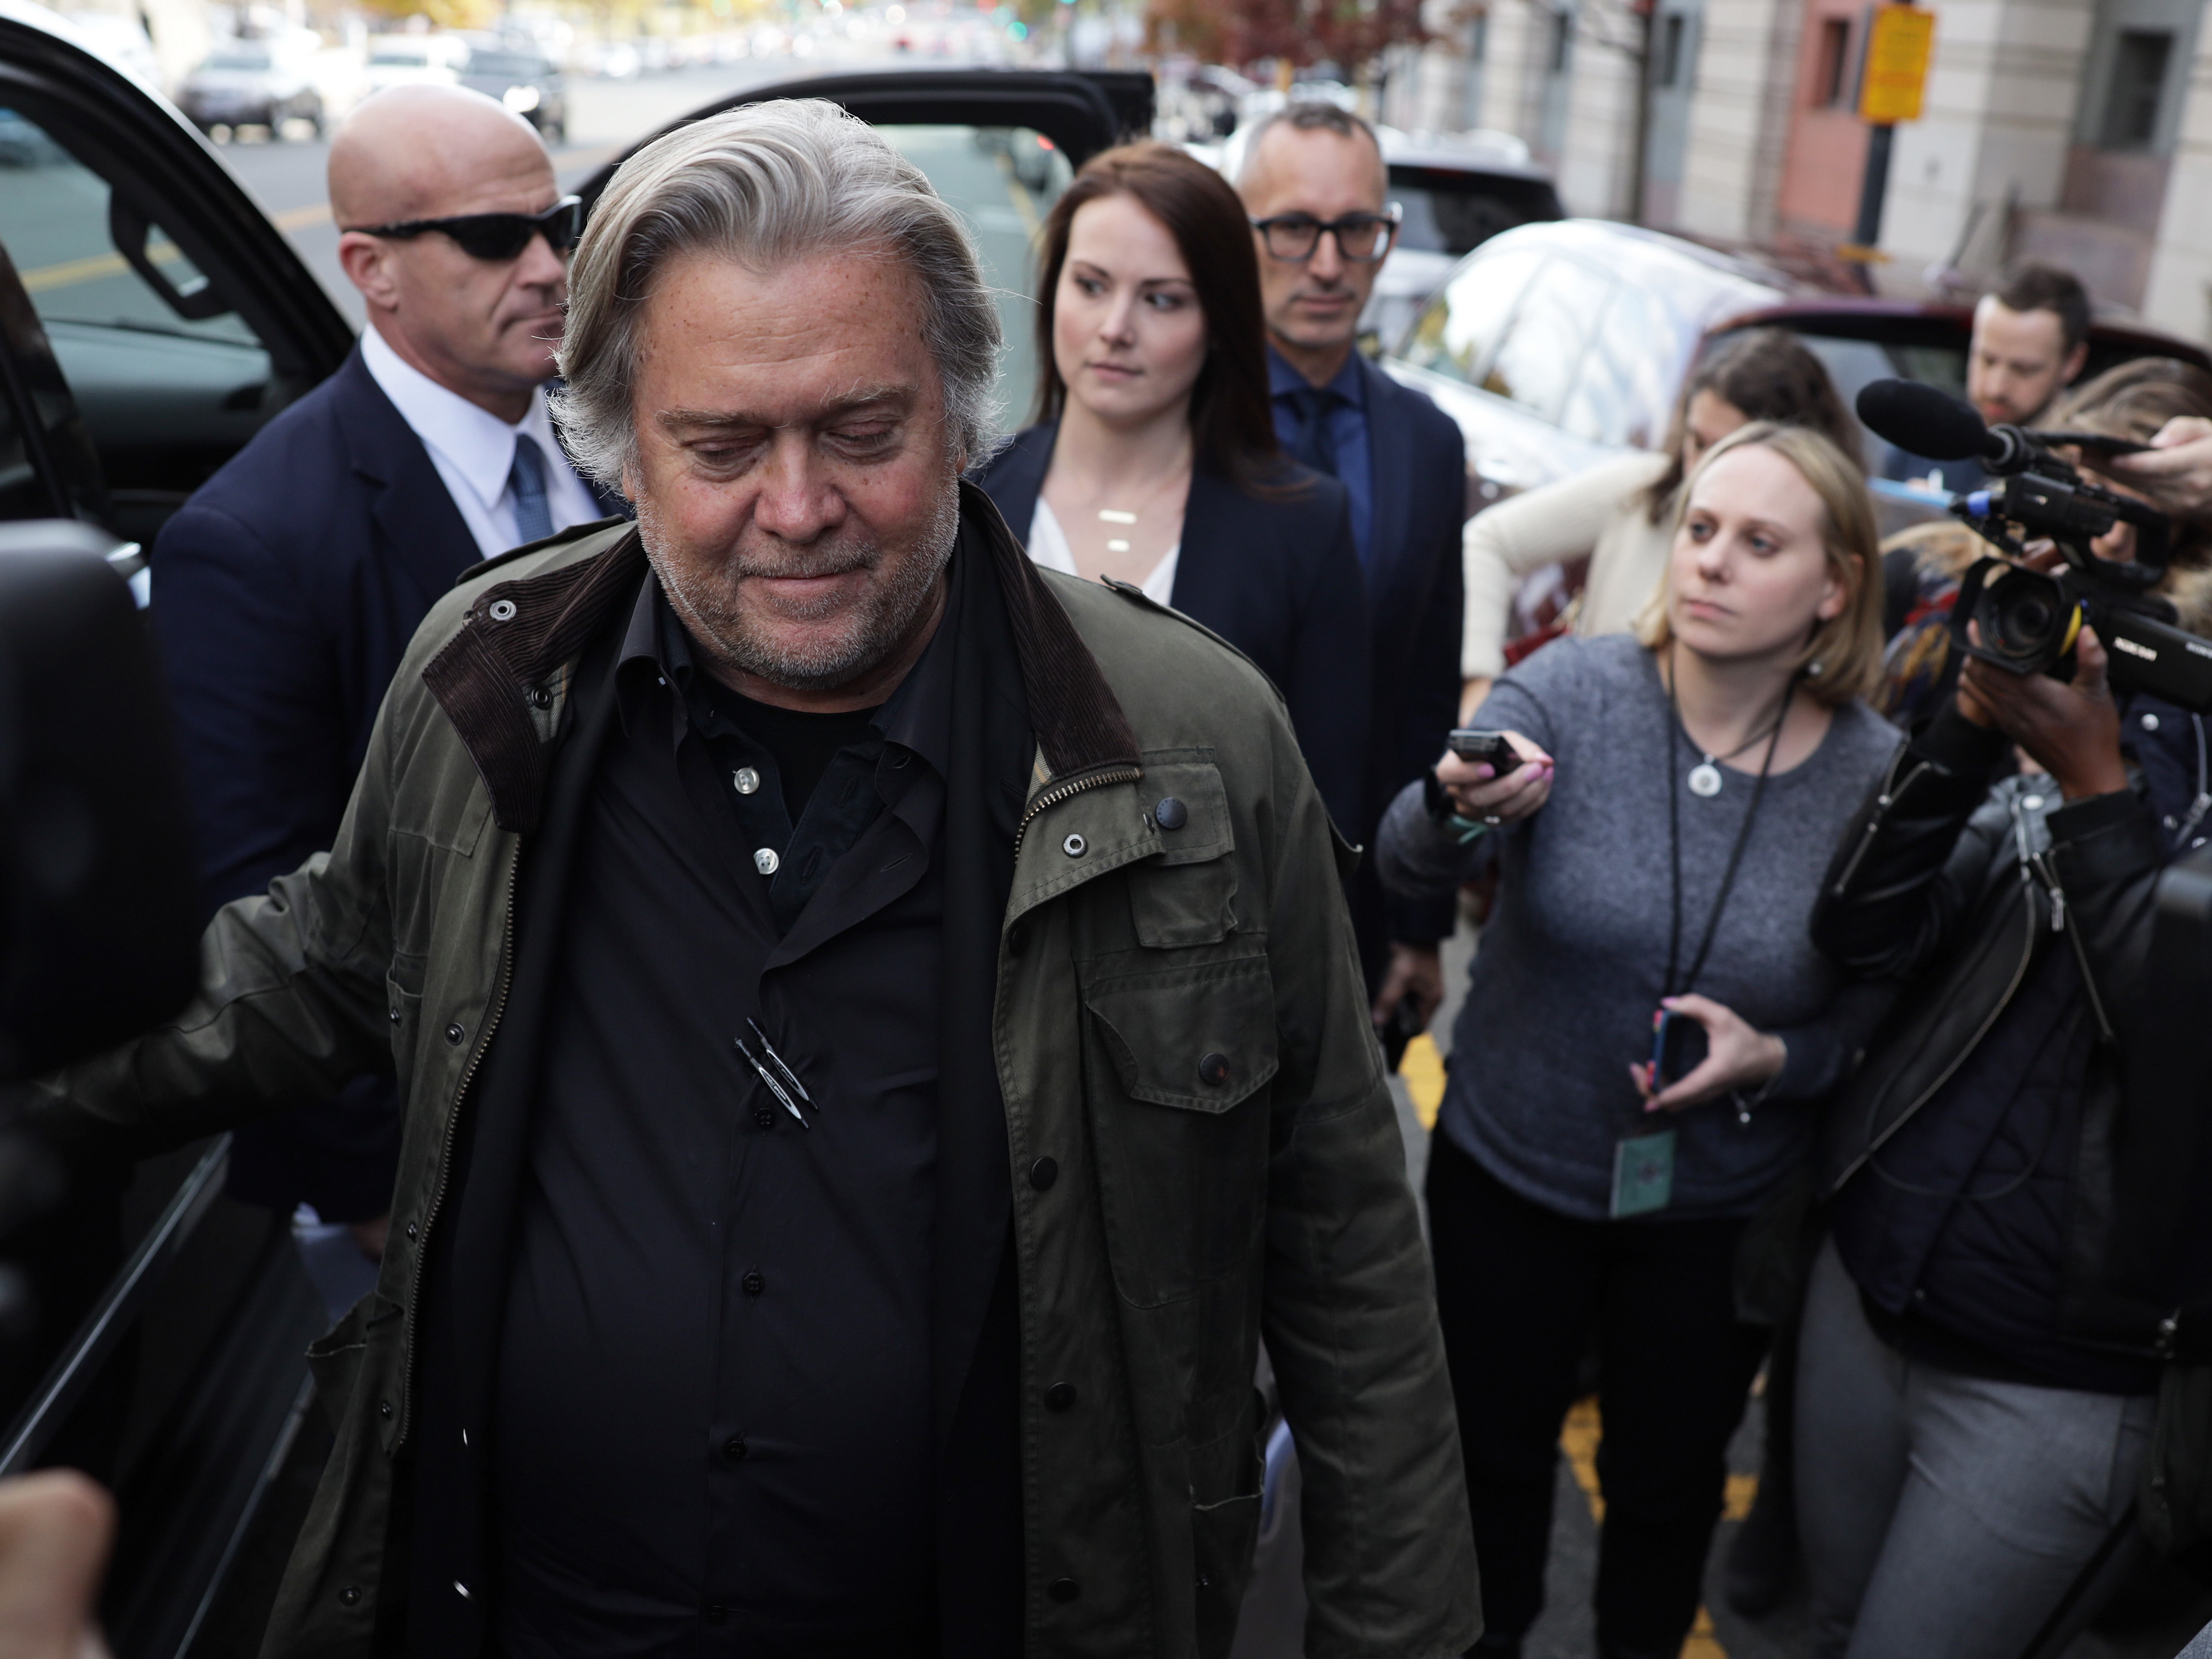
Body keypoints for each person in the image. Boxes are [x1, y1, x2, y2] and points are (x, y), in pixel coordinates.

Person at [39, 100, 1478, 1658]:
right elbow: (316, 959)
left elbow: (1344, 1246)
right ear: (619, 447)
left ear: (964, 416)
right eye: (721, 448)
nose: (796, 511)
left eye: (861, 433)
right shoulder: (490, 679)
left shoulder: (1190, 742)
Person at [1377, 422, 1897, 1659]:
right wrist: (1453, 807)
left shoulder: (1877, 778)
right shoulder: (1569, 689)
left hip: (1715, 1207)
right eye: (1701, 528)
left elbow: (1882, 1016)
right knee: (1488, 1462)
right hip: (1509, 1170)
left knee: (1666, 1492)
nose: (1709, 559)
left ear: (1834, 588)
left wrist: (1776, 1061)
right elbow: (1404, 858)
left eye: (1758, 542)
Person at [149, 83, 616, 1277]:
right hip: (437, 1163)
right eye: (493, 237)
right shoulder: (255, 540)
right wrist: (382, 1193)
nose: (550, 268)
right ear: (371, 268)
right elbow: (258, 916)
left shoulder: (612, 440)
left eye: (556, 223)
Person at [1797, 360, 2212, 1659]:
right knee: (1826, 1621)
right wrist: (1974, 727)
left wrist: (2095, 788)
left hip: (2061, 1379)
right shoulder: (2048, 670)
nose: (2080, 547)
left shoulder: (2174, 738)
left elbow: (2178, 1056)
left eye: (2116, 514)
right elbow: (1862, 928)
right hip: (1869, 1282)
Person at [973, 141, 1370, 843]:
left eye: (1161, 299)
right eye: (1091, 285)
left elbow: (1324, 817)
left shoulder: (1304, 526)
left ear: (1218, 322)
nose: (1115, 328)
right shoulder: (972, 495)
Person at [1233, 100, 1468, 1034]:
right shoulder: (1170, 420)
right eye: (1294, 228)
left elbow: (1424, 699)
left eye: (1357, 230)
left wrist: (1420, 925)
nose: (1329, 265)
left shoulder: (1426, 444)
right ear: (1237, 232)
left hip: (1355, 919)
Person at [1459, 328, 1862, 714]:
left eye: (1760, 543)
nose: (1704, 468)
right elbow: (1488, 541)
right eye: (1697, 442)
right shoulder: (1642, 490)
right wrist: (1479, 685)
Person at [1888, 261, 2090, 494]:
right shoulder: (1922, 438)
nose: (1996, 389)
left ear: (2073, 362)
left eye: (2024, 369)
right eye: (1988, 360)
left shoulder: (2085, 469)